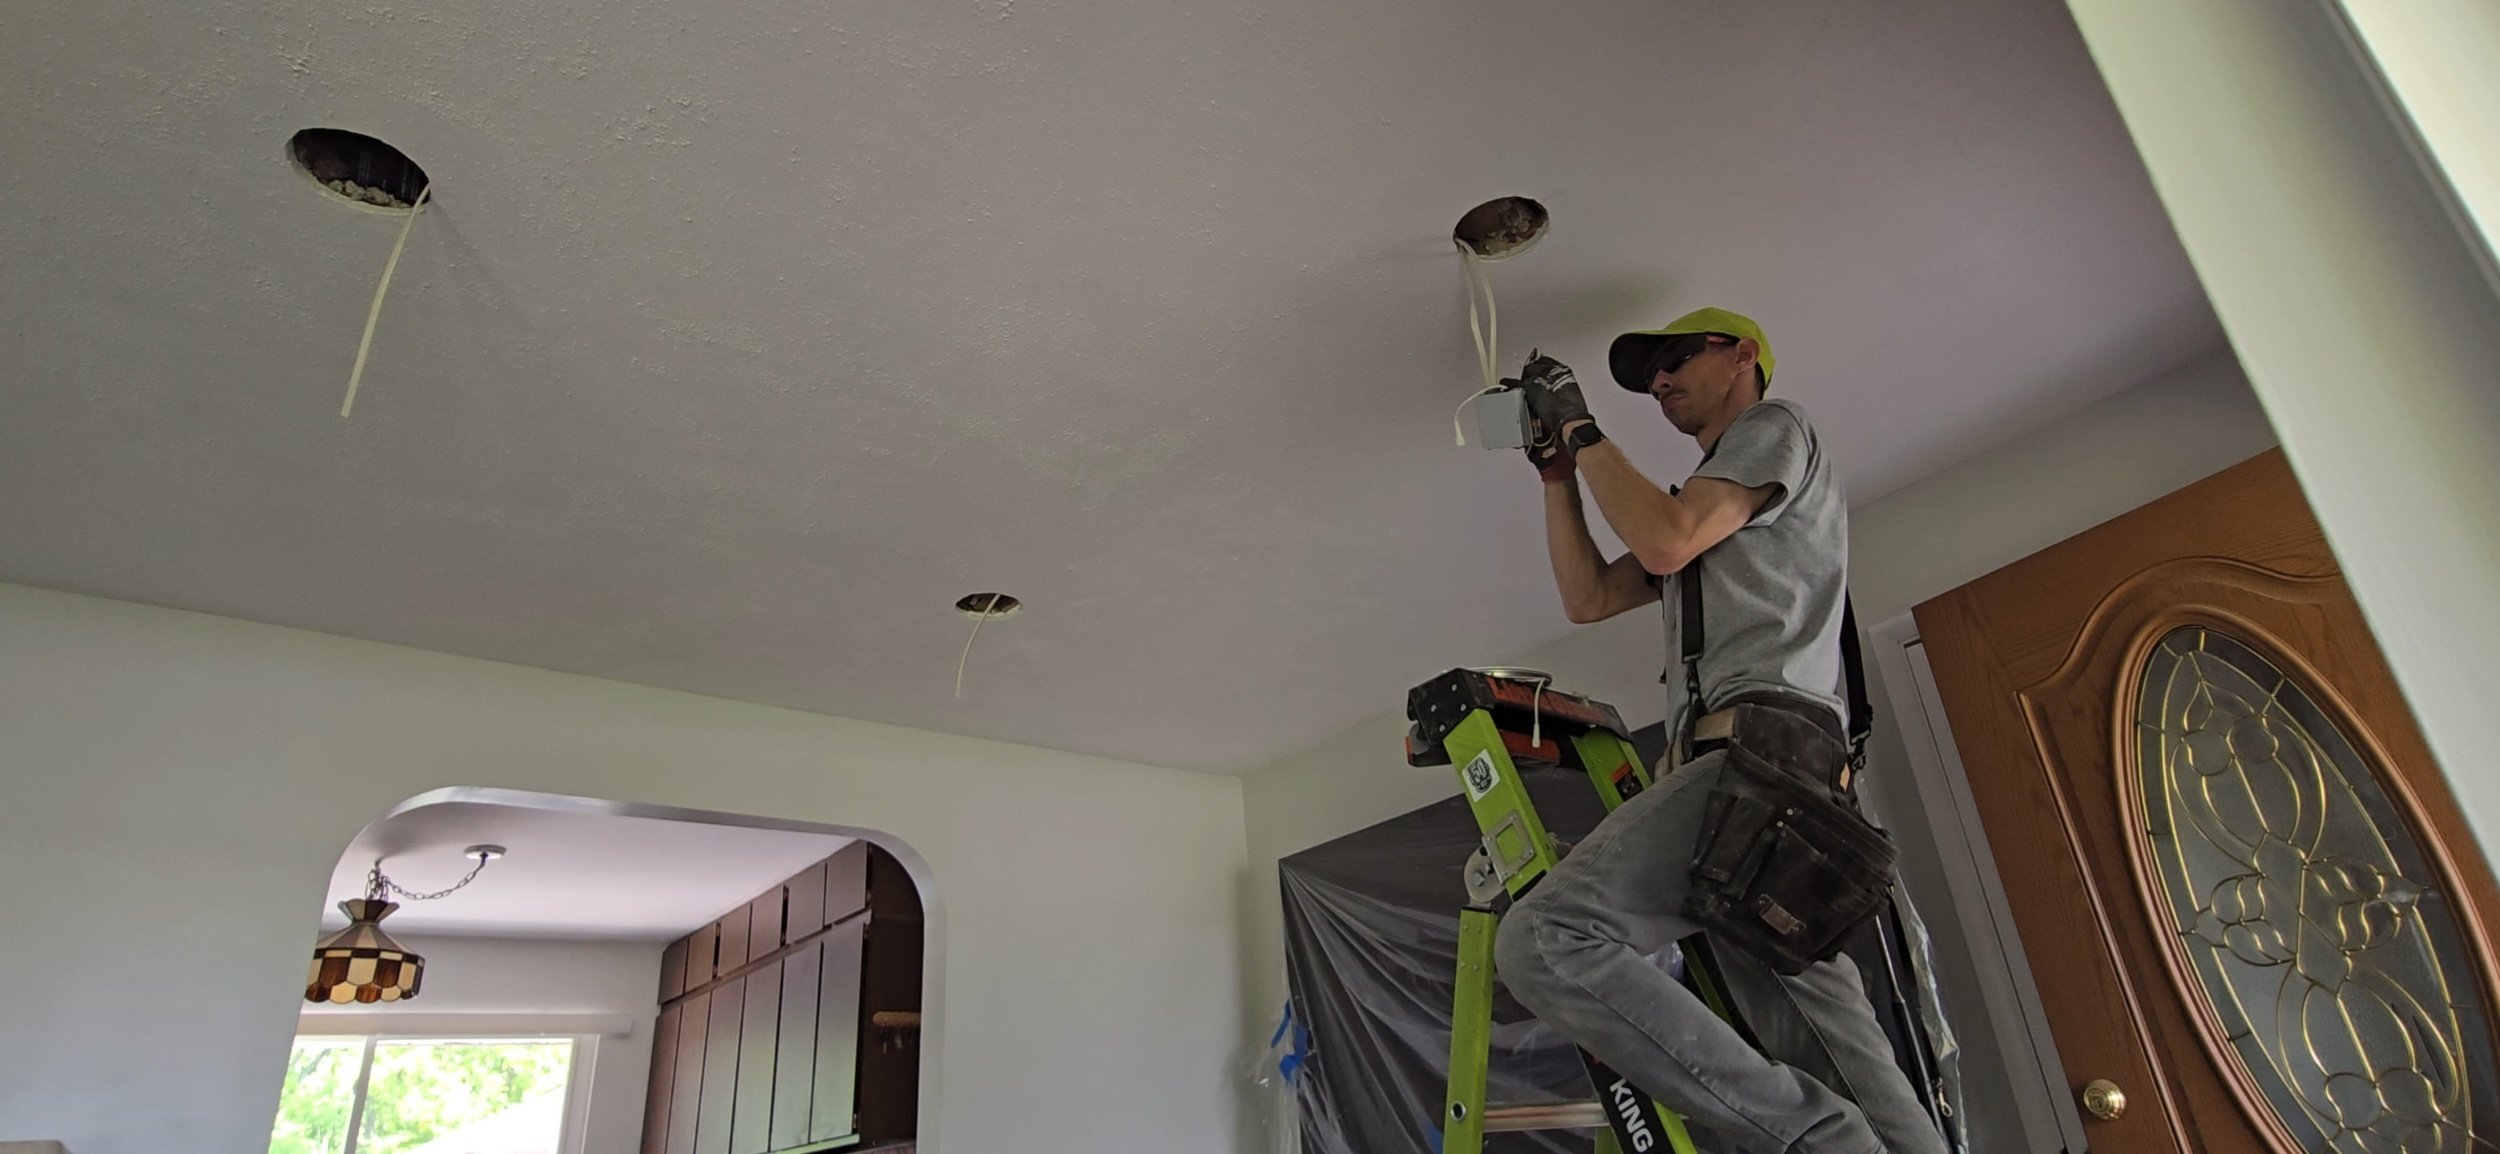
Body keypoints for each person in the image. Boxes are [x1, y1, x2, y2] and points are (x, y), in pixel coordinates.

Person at [1489, 308, 1946, 1154]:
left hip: (1758, 769)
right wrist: (1558, 476)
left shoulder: (1775, 427)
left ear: (1742, 355)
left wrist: (1582, 428)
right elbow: (1589, 597)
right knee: (1851, 1063)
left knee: (1545, 940)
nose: (1659, 380)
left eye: (1673, 357)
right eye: (1647, 375)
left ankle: (1817, 1140)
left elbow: (1667, 543)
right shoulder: (1713, 513)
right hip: (1786, 792)